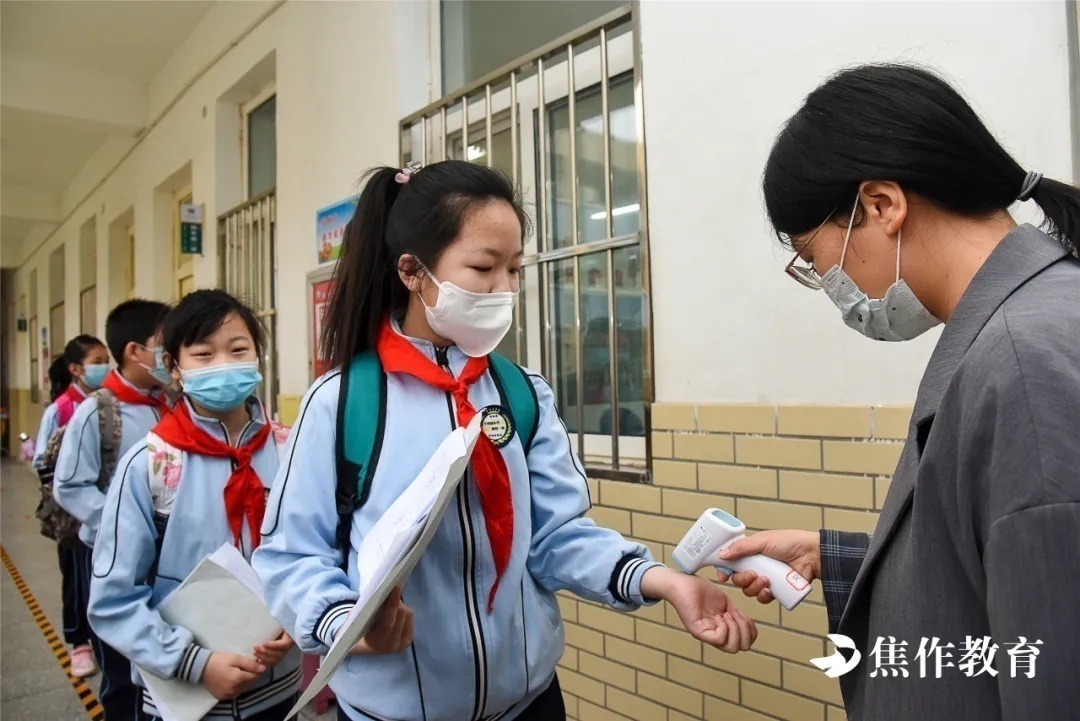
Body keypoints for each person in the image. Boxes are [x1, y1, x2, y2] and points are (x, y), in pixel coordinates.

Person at [251, 160, 757, 721]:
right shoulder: (343, 402)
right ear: (413, 272)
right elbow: (292, 553)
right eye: (483, 267)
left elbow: (555, 536)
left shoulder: (521, 393)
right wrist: (345, 626)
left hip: (531, 706)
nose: (505, 289)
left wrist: (662, 582)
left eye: (515, 268)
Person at [718, 63, 1080, 719]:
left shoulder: (1023, 364)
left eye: (813, 256)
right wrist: (838, 558)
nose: (827, 281)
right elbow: (989, 576)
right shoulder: (1016, 328)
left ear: (882, 205)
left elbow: (1054, 664)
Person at [89, 290, 301, 720]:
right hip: (189, 696)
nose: (223, 364)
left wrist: (300, 619)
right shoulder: (151, 465)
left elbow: (313, 552)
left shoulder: (289, 449)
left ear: (258, 355)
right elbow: (113, 600)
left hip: (281, 690)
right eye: (203, 354)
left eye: (238, 350)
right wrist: (194, 663)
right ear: (173, 367)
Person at [53, 299, 172, 719]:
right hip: (110, 553)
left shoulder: (171, 402)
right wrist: (123, 524)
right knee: (121, 667)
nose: (171, 351)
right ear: (135, 351)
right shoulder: (98, 413)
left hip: (165, 555)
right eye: (163, 343)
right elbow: (69, 485)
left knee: (158, 652)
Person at [34, 340, 108, 678]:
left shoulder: (109, 404)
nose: (104, 368)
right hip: (73, 515)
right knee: (75, 579)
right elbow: (42, 461)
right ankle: (79, 643)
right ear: (75, 369)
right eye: (97, 362)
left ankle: (104, 637)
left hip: (102, 512)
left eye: (106, 361)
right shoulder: (62, 409)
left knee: (98, 577)